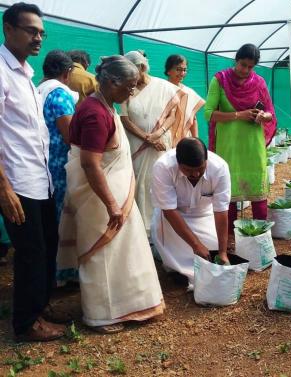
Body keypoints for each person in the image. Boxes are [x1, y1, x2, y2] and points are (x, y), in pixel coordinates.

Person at [57, 55, 165, 333]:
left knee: (120, 253)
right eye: (128, 86)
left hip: (112, 195)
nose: (132, 92)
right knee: (102, 255)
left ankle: (125, 306)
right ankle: (102, 315)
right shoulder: (95, 113)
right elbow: (90, 164)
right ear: (110, 81)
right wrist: (111, 205)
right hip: (100, 200)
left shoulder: (104, 104)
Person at [0, 2, 65, 341]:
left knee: (47, 246)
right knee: (30, 253)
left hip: (40, 178)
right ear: (8, 29)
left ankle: (39, 306)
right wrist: (4, 189)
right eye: (31, 30)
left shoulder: (25, 73)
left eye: (41, 32)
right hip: (18, 181)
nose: (38, 37)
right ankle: (26, 324)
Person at [204, 43, 276, 244]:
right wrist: (239, 115)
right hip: (229, 146)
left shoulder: (259, 82)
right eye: (242, 65)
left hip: (253, 145)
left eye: (250, 67)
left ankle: (261, 237)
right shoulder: (220, 80)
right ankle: (230, 238)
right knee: (229, 191)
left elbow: (271, 113)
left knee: (258, 193)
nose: (245, 71)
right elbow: (208, 113)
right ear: (236, 60)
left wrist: (263, 115)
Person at [151, 137, 230, 288]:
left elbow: (221, 211)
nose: (195, 174)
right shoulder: (163, 167)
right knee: (176, 254)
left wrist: (223, 252)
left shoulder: (220, 168)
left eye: (200, 168)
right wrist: (196, 245)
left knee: (212, 249)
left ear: (207, 159)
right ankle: (173, 266)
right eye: (188, 170)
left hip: (203, 214)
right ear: (178, 163)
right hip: (173, 216)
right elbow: (169, 211)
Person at [121, 50, 184, 236]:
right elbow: (125, 118)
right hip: (138, 145)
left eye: (132, 71)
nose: (129, 76)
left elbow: (173, 114)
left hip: (161, 142)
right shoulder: (127, 87)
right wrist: (146, 138)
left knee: (162, 181)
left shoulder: (162, 86)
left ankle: (166, 226)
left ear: (141, 67)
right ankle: (144, 231)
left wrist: (158, 134)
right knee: (141, 183)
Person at [37, 50, 78, 222]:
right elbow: (71, 137)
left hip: (42, 163)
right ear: (67, 72)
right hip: (60, 165)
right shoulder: (59, 94)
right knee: (64, 215)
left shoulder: (37, 90)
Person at [164, 54, 205, 145]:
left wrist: (196, 141)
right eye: (178, 69)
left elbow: (193, 119)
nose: (182, 73)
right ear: (168, 70)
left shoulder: (188, 92)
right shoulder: (162, 89)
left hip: (185, 140)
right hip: (165, 140)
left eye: (184, 70)